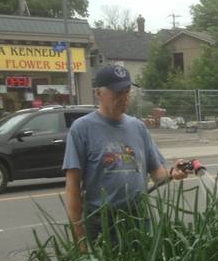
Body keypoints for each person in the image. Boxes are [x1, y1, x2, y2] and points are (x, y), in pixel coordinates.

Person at [63, 64, 188, 244]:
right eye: (117, 92)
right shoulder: (82, 129)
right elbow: (73, 187)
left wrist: (173, 173)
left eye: (127, 91)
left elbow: (157, 174)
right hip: (101, 224)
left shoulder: (138, 127)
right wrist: (79, 240)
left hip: (138, 220)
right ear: (98, 93)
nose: (124, 97)